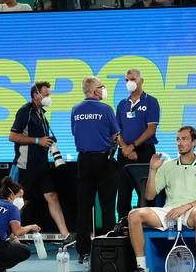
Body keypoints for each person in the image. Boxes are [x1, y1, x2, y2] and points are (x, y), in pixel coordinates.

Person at [128, 126, 196, 272]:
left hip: (190, 212)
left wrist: (184, 207)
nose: (180, 143)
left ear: (194, 142)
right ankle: (141, 267)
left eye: (184, 139)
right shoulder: (167, 166)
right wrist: (153, 170)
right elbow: (150, 196)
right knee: (134, 215)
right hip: (169, 212)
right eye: (178, 139)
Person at [9, 81, 74, 246]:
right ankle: (8, 235)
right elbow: (13, 136)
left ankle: (65, 235)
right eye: (45, 94)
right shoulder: (25, 112)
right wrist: (37, 140)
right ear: (35, 95)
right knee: (21, 202)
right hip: (26, 166)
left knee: (52, 196)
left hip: (42, 166)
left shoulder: (42, 114)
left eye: (49, 94)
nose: (48, 97)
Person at [71, 76, 119, 262]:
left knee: (84, 208)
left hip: (84, 161)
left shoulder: (75, 110)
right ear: (94, 91)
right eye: (101, 87)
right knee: (107, 207)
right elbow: (115, 135)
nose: (103, 89)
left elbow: (76, 133)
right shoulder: (106, 109)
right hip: (104, 160)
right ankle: (108, 249)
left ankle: (83, 251)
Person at [115, 69, 160, 218]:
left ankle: (147, 226)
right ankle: (123, 226)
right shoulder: (122, 104)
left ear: (141, 81)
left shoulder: (151, 101)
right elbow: (117, 131)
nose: (129, 83)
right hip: (124, 153)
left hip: (145, 152)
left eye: (132, 79)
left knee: (146, 193)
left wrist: (132, 146)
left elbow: (151, 129)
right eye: (126, 80)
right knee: (123, 194)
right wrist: (124, 148)